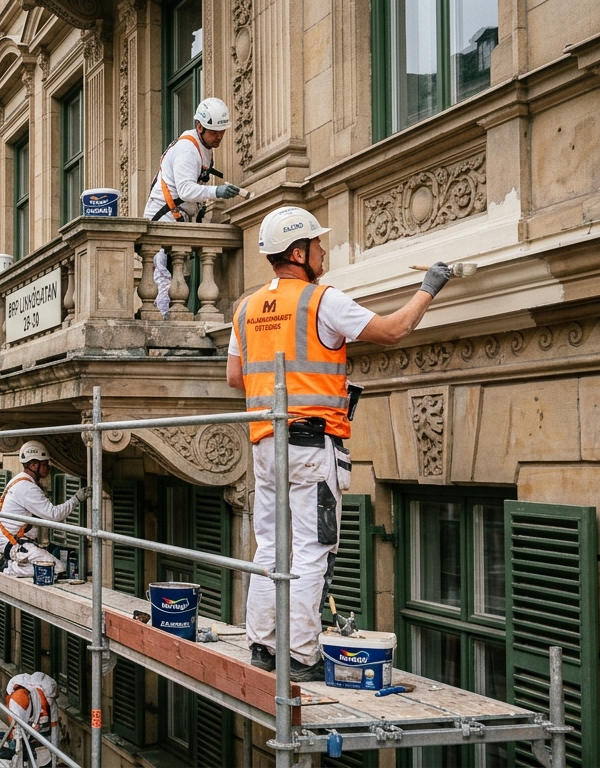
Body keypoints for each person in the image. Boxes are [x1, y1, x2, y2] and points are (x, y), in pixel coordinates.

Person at [227, 206, 453, 681]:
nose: (323, 250)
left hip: (266, 444)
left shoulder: (245, 307)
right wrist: (429, 287)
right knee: (311, 549)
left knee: (269, 546)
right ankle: (302, 655)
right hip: (312, 445)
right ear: (298, 252)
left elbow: (235, 376)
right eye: (317, 243)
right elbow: (394, 331)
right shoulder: (319, 300)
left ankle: (263, 647)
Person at [143, 97, 240, 315]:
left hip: (175, 219)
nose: (219, 136)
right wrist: (217, 191)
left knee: (176, 278)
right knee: (163, 279)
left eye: (222, 131)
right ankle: (161, 329)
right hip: (163, 219)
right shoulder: (188, 150)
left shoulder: (203, 146)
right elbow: (185, 190)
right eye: (215, 132)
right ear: (199, 126)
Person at [0, 441, 90, 578]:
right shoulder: (27, 487)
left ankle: (15, 563)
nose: (47, 468)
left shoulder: (20, 480)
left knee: (49, 566)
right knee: (56, 568)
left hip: (10, 538)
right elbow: (54, 515)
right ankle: (9, 567)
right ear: (33, 465)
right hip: (11, 541)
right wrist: (76, 499)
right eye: (44, 464)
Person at [3, 672, 57, 767]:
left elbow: (54, 724)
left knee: (40, 757)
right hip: (33, 728)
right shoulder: (19, 696)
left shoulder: (46, 699)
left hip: (40, 729)